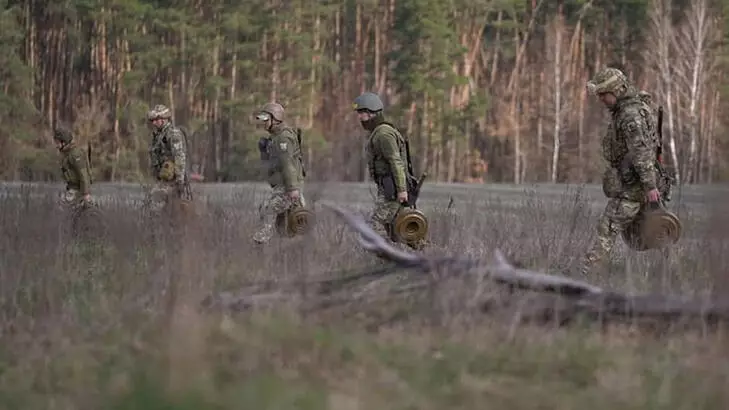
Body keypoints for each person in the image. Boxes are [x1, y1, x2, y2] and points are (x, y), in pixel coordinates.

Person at [581, 67, 668, 275]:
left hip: (634, 186)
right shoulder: (628, 110)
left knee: (607, 227)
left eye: (604, 94)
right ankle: (669, 268)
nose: (601, 99)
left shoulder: (630, 115)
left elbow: (641, 152)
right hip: (635, 183)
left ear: (617, 91)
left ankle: (588, 273)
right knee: (646, 230)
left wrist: (650, 186)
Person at [352, 91, 427, 251]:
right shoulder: (378, 133)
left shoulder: (383, 134)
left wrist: (401, 190)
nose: (359, 118)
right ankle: (429, 258)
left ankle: (385, 259)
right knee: (401, 230)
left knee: (373, 229)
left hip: (392, 190)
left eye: (362, 113)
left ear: (372, 113)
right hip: (389, 188)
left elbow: (396, 162)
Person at [252, 102, 306, 244]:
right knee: (284, 225)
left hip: (288, 186)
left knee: (268, 209)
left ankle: (261, 239)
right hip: (283, 185)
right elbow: (271, 165)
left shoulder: (283, 138)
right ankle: (289, 248)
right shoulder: (275, 137)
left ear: (275, 119)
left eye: (266, 120)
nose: (263, 124)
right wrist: (264, 152)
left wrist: (293, 189)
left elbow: (287, 164)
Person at [145, 104, 191, 210]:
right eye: (153, 120)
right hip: (163, 178)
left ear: (164, 119)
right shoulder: (158, 135)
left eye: (157, 119)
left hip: (173, 180)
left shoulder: (173, 134)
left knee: (157, 202)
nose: (154, 122)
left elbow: (179, 157)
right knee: (166, 207)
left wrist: (180, 181)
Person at [54, 126, 92, 209]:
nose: (56, 145)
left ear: (64, 142)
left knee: (62, 209)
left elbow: (83, 175)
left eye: (57, 142)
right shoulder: (67, 154)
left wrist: (86, 194)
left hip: (78, 190)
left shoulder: (75, 154)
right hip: (72, 188)